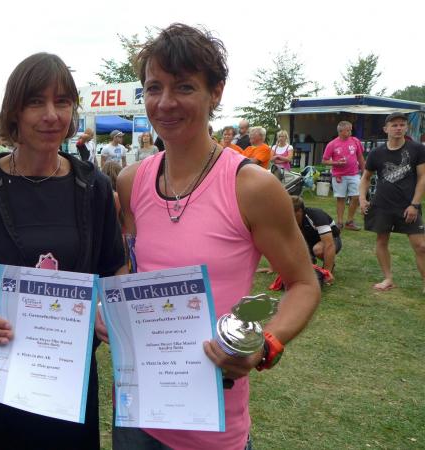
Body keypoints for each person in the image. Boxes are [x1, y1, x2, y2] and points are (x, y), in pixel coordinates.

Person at [99, 23, 319, 450]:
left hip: (213, 430)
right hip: (136, 413)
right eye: (154, 87)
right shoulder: (131, 181)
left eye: (184, 87)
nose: (165, 102)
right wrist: (112, 310)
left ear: (215, 92)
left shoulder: (250, 186)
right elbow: (131, 268)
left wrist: (265, 345)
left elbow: (304, 284)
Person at [0, 52, 124, 450]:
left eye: (62, 101)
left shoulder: (93, 187)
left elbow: (113, 267)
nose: (51, 115)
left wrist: (104, 308)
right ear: (14, 112)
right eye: (36, 102)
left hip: (69, 377)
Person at [359, 112, 425, 292]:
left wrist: (415, 204)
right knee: (381, 241)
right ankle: (388, 279)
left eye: (402, 125)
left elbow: (422, 177)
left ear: (406, 127)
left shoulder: (417, 149)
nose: (398, 128)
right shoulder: (376, 153)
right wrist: (363, 199)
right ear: (386, 129)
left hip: (408, 205)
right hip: (382, 205)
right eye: (394, 125)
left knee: (421, 246)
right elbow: (365, 178)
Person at [323, 120, 366, 230]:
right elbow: (324, 160)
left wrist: (364, 172)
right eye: (348, 130)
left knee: (356, 196)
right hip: (339, 175)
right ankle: (340, 222)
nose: (350, 132)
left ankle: (350, 221)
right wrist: (336, 163)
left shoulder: (355, 141)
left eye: (350, 130)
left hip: (354, 174)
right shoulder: (332, 144)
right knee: (341, 198)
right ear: (340, 131)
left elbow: (360, 157)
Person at [291, 195, 339, 284]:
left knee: (318, 249)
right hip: (310, 241)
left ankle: (329, 266)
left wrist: (327, 273)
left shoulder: (316, 215)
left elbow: (329, 244)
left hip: (332, 240)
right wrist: (274, 267)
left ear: (299, 211)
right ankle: (312, 261)